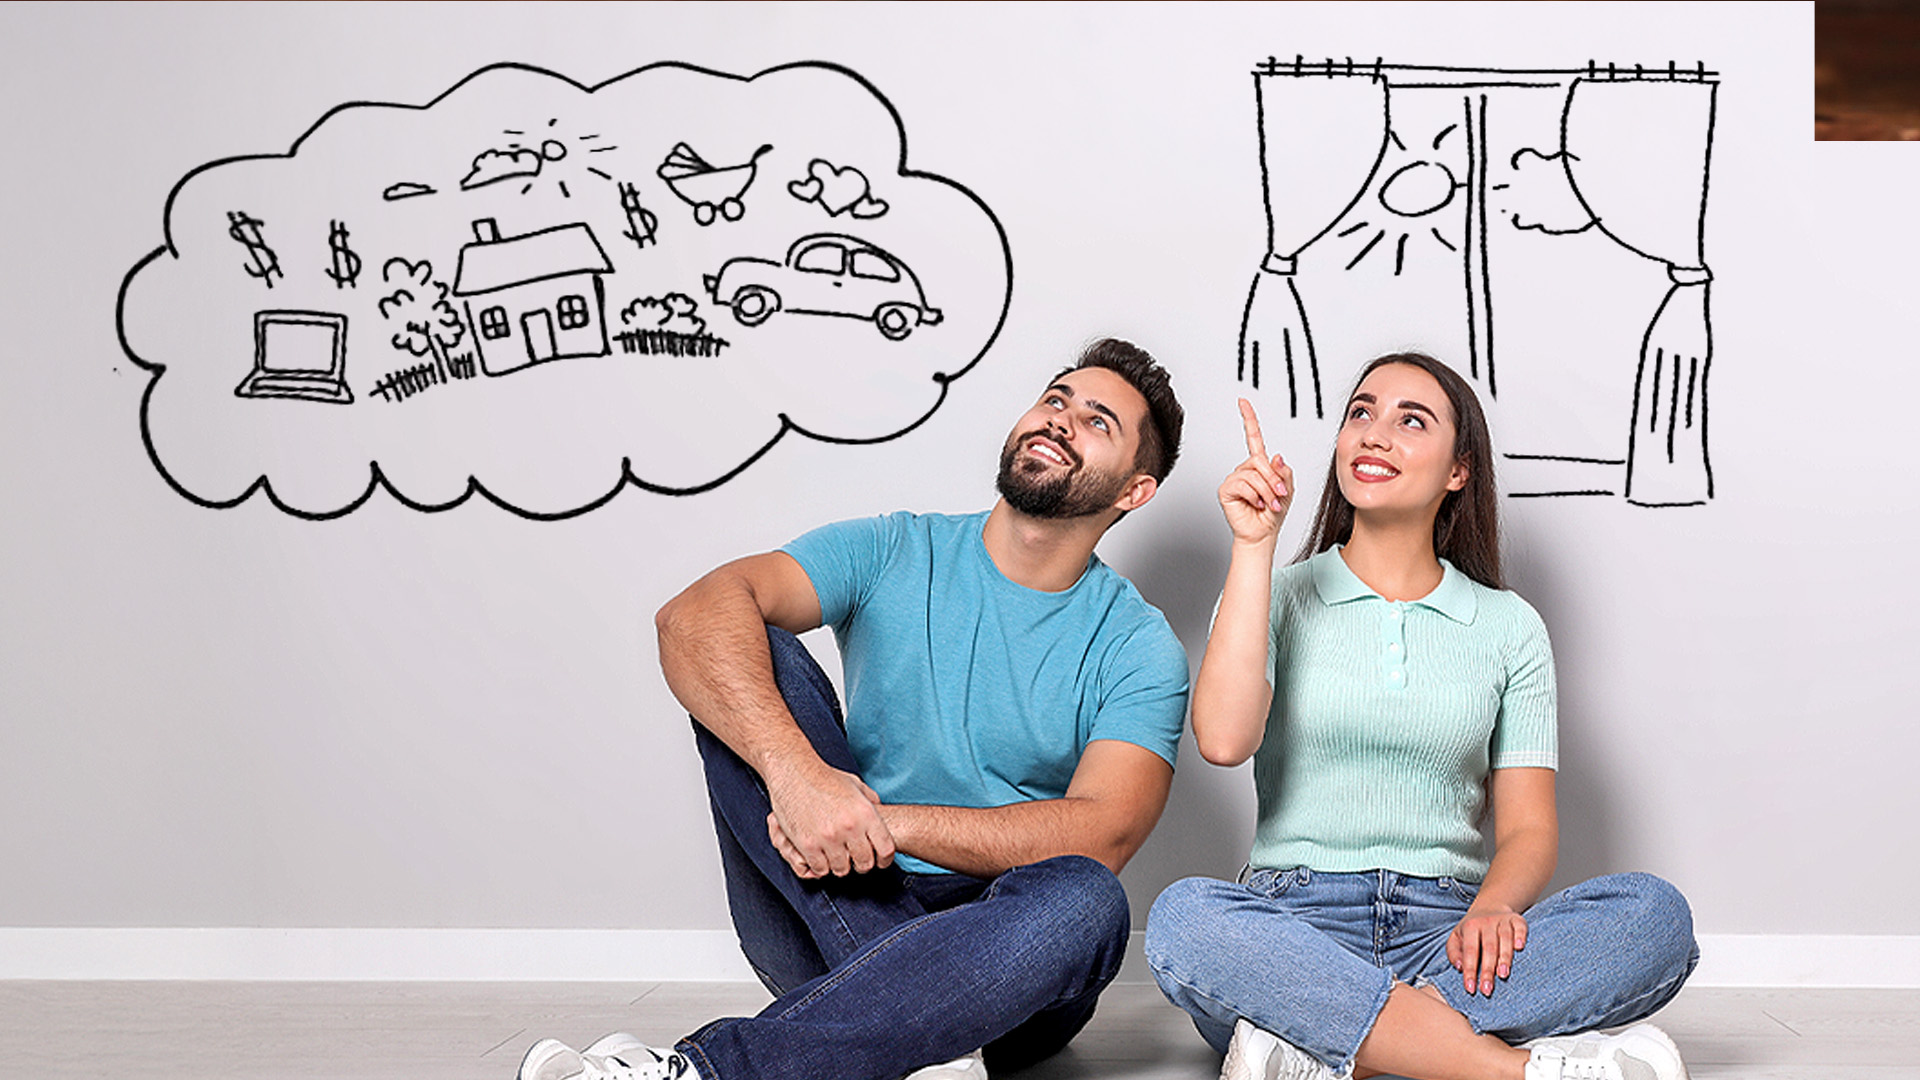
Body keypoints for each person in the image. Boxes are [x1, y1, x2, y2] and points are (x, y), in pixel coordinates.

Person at [518, 338, 1190, 1080]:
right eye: (1056, 399)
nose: (1061, 420)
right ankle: (931, 1035)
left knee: (1088, 897)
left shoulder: (1136, 644)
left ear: (1135, 491)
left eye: (1099, 422)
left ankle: (712, 1072)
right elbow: (690, 616)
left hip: (1009, 950)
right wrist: (799, 778)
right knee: (747, 648)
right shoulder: (893, 548)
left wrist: (882, 821)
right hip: (834, 896)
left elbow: (1105, 831)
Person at [1144, 353, 1699, 1080]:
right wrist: (1254, 547)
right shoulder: (1272, 593)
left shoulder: (1509, 627)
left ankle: (1323, 1049)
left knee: (1654, 916)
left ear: (1458, 471)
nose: (1374, 434)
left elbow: (1530, 827)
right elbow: (1222, 740)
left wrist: (1495, 908)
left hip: (1452, 934)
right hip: (1293, 925)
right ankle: (1511, 1070)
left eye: (1411, 421)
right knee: (1185, 917)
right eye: (1361, 413)